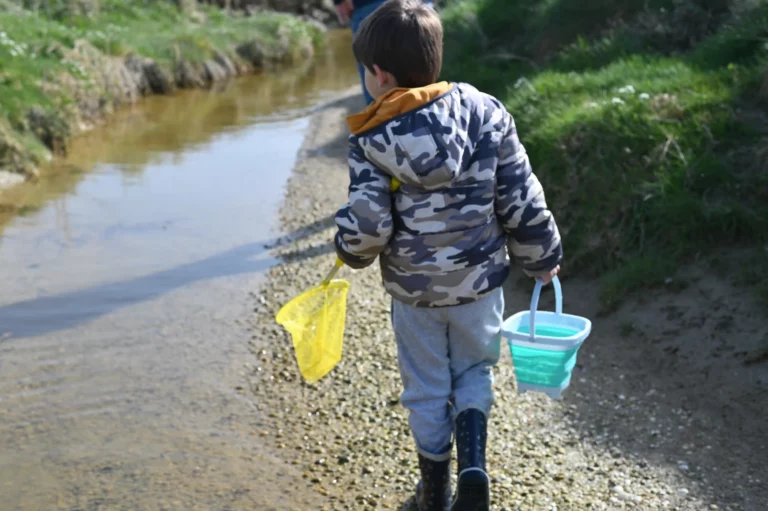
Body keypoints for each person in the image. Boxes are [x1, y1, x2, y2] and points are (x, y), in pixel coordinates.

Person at [332, 1, 563, 510]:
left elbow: (369, 225)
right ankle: (474, 467)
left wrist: (345, 249)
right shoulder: (486, 111)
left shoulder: (372, 137)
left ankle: (434, 493)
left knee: (427, 386)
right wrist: (542, 254)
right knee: (475, 371)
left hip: (415, 295)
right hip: (479, 284)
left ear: (379, 74)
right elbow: (520, 194)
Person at [333, 0, 433, 105]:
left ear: (379, 74)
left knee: (376, 102)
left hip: (367, 5)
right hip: (415, 5)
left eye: (366, 68)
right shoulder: (449, 108)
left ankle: (377, 110)